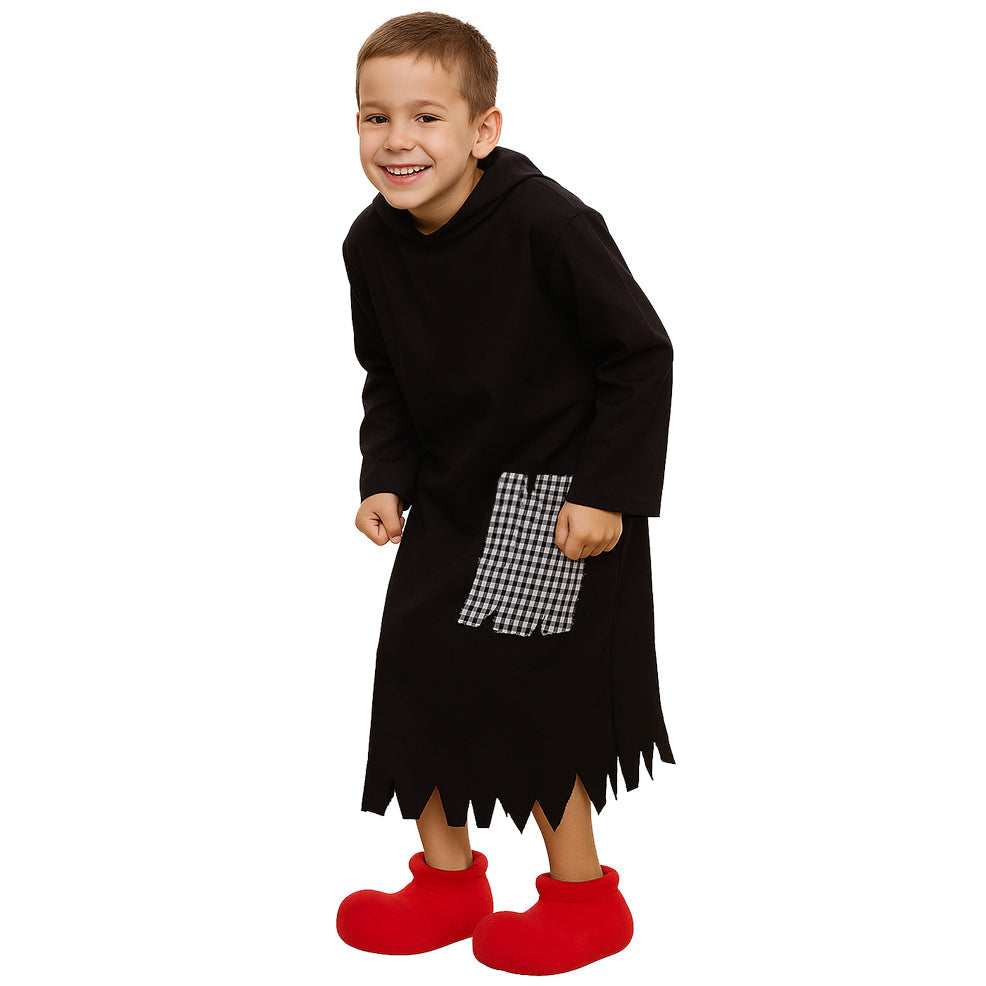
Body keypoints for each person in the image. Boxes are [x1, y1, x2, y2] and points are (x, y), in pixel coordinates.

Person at [335, 12, 675, 977]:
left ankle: (583, 898)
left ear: (483, 129)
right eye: (375, 117)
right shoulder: (370, 245)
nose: (398, 140)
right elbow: (387, 377)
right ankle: (448, 885)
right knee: (417, 677)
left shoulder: (548, 225)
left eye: (426, 117)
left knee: (531, 697)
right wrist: (385, 476)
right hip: (451, 495)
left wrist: (608, 492)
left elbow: (640, 355)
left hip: (556, 501)